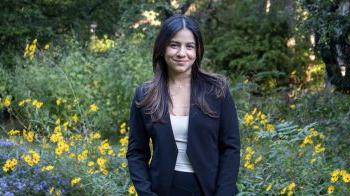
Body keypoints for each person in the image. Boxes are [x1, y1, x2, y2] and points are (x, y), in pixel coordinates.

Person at [126, 14, 240, 196]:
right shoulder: (145, 95)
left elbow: (230, 149)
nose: (182, 53)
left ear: (198, 51)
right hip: (162, 190)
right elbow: (136, 153)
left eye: (189, 46)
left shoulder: (217, 91)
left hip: (209, 190)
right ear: (162, 48)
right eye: (174, 45)